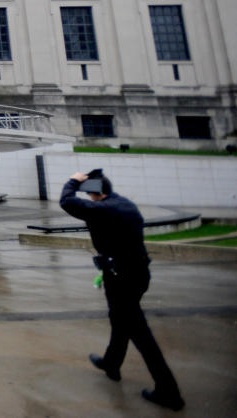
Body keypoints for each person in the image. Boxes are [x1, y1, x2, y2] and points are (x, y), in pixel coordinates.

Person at [61, 169, 184, 411]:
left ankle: (169, 392)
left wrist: (74, 180)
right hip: (138, 274)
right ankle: (111, 362)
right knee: (120, 319)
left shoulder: (102, 210)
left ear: (95, 193)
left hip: (120, 279)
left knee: (140, 334)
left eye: (89, 194)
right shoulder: (126, 204)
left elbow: (66, 201)